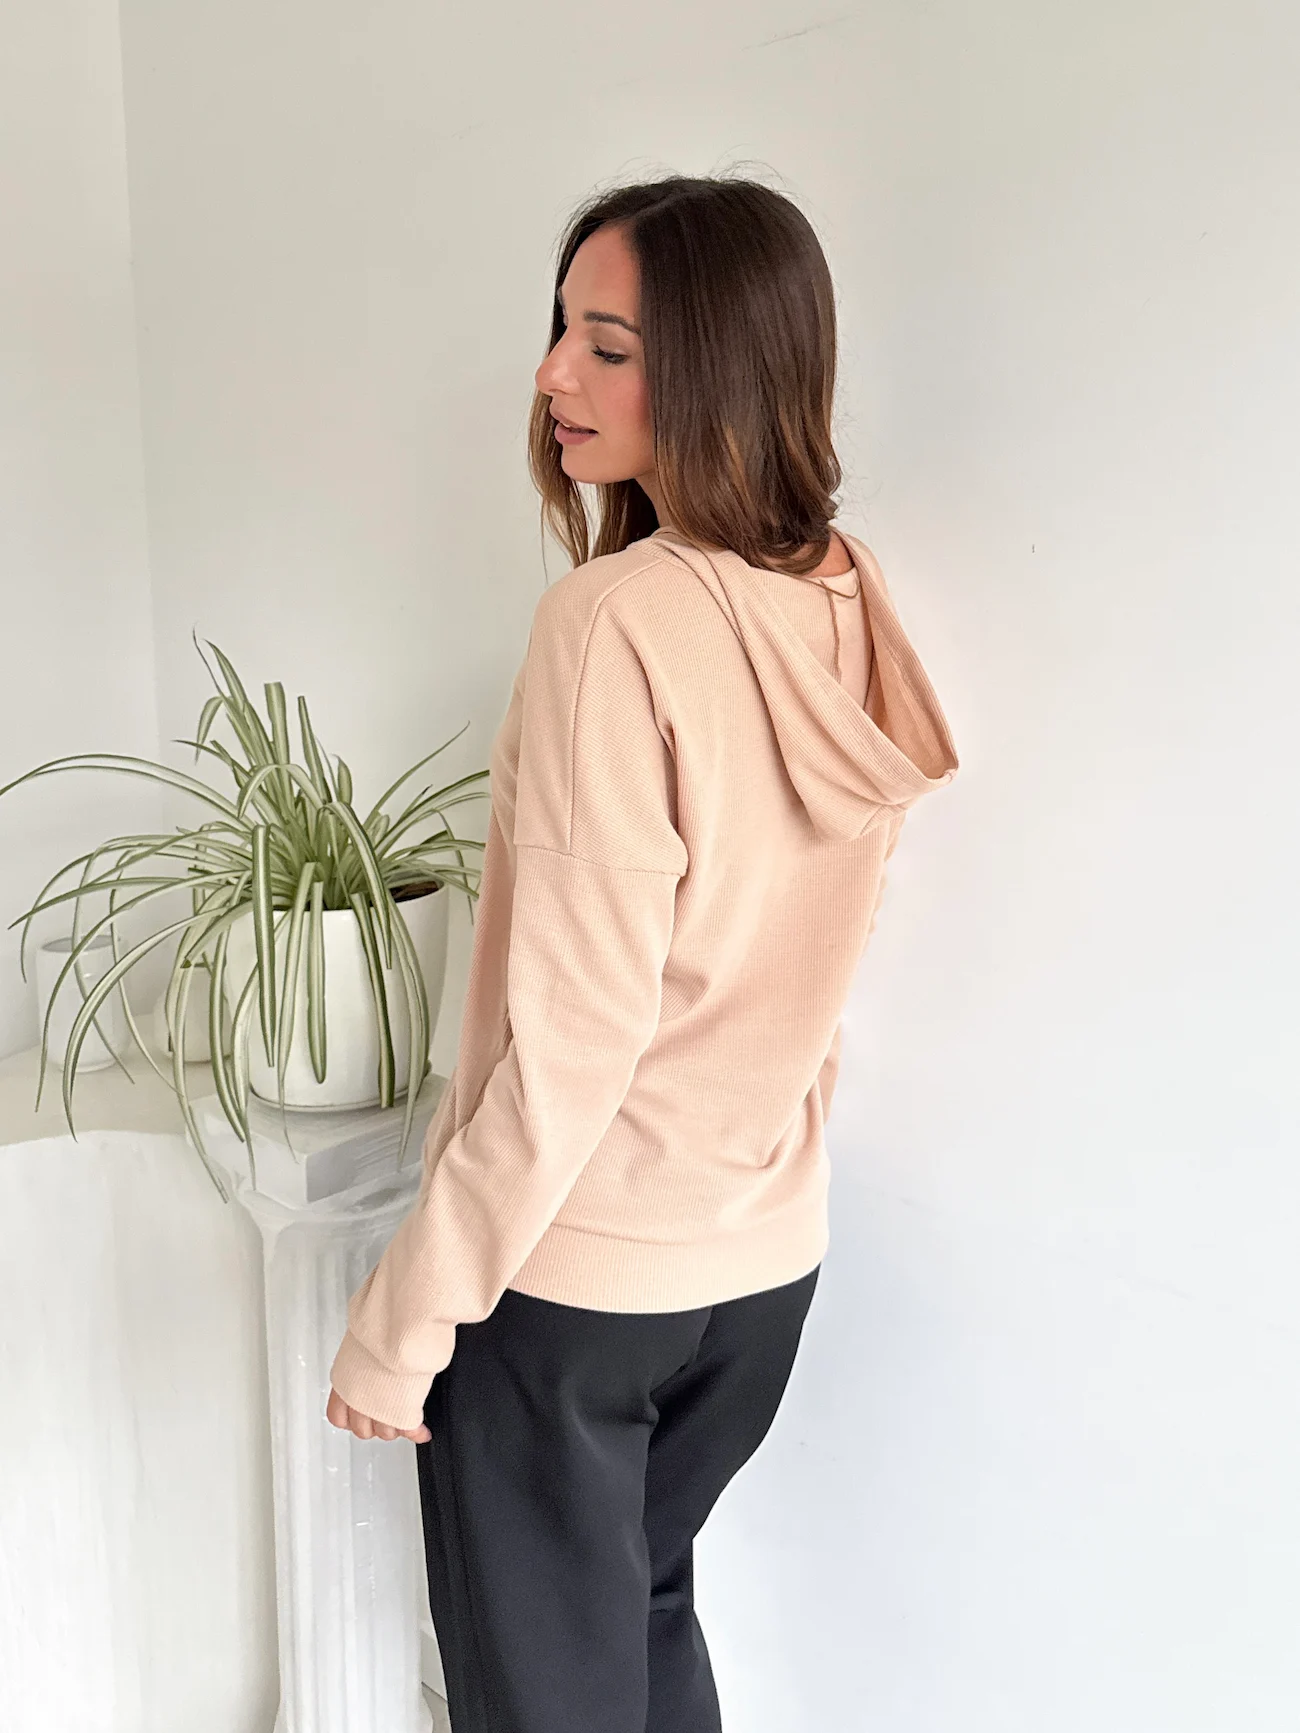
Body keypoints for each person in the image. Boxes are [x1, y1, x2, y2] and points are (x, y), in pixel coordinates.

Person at [325, 172, 959, 1731]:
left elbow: (576, 1037)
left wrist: (406, 1320)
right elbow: (825, 943)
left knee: (548, 1696)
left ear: (723, 367)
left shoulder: (611, 624)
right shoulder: (843, 596)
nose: (552, 374)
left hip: (578, 1286)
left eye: (608, 346)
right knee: (643, 1623)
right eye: (561, 331)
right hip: (761, 1272)